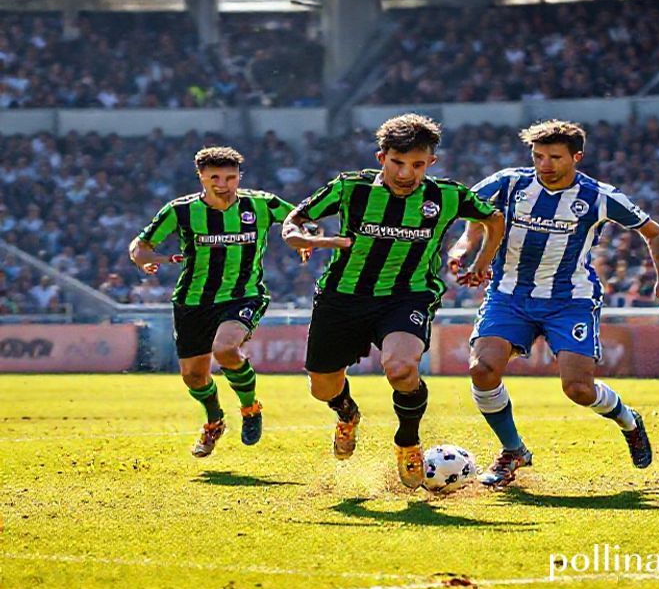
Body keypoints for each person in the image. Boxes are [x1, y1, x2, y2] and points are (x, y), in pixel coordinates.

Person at [448, 119, 659, 487]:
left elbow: (655, 233)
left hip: (569, 300)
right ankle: (513, 451)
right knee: (482, 369)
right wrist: (463, 249)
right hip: (509, 295)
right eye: (538, 156)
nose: (545, 164)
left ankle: (628, 420)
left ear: (576, 156)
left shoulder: (599, 196)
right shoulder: (509, 183)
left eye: (555, 157)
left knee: (578, 390)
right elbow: (474, 219)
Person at [282, 113, 505, 489]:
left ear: (430, 163)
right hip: (342, 296)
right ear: (381, 157)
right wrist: (301, 237)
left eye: (417, 165)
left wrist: (482, 263)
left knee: (401, 369)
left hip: (407, 295)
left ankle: (407, 442)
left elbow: (494, 219)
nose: (406, 173)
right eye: (397, 163)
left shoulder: (447, 195)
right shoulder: (349, 188)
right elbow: (294, 220)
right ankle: (347, 413)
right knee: (322, 386)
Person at [129, 146, 296, 458]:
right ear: (201, 177)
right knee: (193, 375)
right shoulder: (179, 211)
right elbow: (141, 245)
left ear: (239, 177)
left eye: (231, 177)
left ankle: (250, 407)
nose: (223, 184)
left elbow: (299, 218)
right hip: (193, 302)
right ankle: (214, 420)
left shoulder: (261, 203)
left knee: (226, 349)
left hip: (243, 295)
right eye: (215, 177)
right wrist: (144, 259)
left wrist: (305, 237)